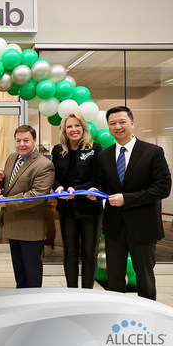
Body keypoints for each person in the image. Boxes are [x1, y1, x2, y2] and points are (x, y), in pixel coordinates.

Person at [88, 106, 171, 300]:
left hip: (143, 226)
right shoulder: (104, 156)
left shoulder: (153, 152)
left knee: (145, 279)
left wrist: (127, 199)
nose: (117, 127)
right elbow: (102, 185)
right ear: (108, 127)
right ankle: (117, 317)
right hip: (114, 228)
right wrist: (95, 192)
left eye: (122, 122)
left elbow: (163, 188)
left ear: (132, 123)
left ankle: (148, 317)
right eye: (112, 123)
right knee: (114, 279)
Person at [0, 125, 54, 289]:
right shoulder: (12, 157)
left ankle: (33, 305)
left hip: (31, 228)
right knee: (19, 272)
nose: (22, 144)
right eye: (18, 140)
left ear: (34, 141)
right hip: (13, 224)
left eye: (26, 140)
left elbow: (36, 195)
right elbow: (13, 182)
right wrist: (1, 178)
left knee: (32, 273)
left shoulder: (44, 165)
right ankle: (21, 301)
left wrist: (7, 202)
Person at [51, 112, 103, 289]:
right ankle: (71, 292)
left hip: (90, 209)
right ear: (64, 130)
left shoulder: (95, 148)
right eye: (69, 126)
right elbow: (55, 176)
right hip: (67, 209)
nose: (73, 130)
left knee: (89, 254)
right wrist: (57, 187)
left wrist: (78, 189)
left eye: (77, 125)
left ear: (83, 128)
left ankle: (87, 292)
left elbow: (98, 178)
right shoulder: (58, 150)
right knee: (70, 253)